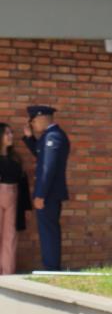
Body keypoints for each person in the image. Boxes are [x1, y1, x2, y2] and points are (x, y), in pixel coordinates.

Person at [22, 104, 70, 270]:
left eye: (33, 121)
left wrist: (40, 195)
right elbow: (42, 156)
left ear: (42, 118)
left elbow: (47, 168)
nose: (33, 125)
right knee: (48, 230)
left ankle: (51, 268)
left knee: (48, 231)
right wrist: (30, 139)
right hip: (49, 194)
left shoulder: (53, 137)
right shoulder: (50, 136)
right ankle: (51, 266)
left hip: (48, 194)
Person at [0, 123, 33, 274]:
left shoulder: (15, 159)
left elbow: (23, 184)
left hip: (13, 196)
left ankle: (7, 273)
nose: (11, 136)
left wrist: (26, 207)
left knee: (10, 236)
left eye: (11, 133)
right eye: (7, 133)